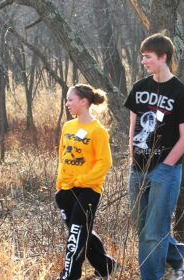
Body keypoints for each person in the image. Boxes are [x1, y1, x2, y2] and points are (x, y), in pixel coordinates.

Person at [124, 33, 184, 280]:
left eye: (148, 57)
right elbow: (133, 127)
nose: (143, 61)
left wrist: (165, 167)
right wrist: (132, 159)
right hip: (137, 169)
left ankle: (151, 277)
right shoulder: (139, 88)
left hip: (165, 171)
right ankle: (177, 254)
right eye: (142, 57)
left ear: (163, 57)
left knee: (153, 232)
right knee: (142, 227)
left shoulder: (181, 93)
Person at [55, 84, 116, 280]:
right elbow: (62, 157)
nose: (67, 104)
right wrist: (60, 185)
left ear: (83, 102)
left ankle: (69, 275)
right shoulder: (68, 126)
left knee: (76, 234)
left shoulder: (98, 131)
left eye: (70, 100)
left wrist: (82, 179)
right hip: (66, 190)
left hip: (88, 190)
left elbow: (104, 163)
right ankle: (105, 265)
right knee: (82, 232)